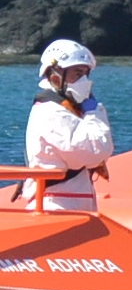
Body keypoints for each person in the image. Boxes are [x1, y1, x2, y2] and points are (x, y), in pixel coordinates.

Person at [20, 40, 111, 213]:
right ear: (55, 74)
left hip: (72, 202)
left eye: (85, 74)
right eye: (77, 73)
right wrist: (94, 114)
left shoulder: (71, 109)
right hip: (55, 204)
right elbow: (96, 152)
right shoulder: (51, 112)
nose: (83, 80)